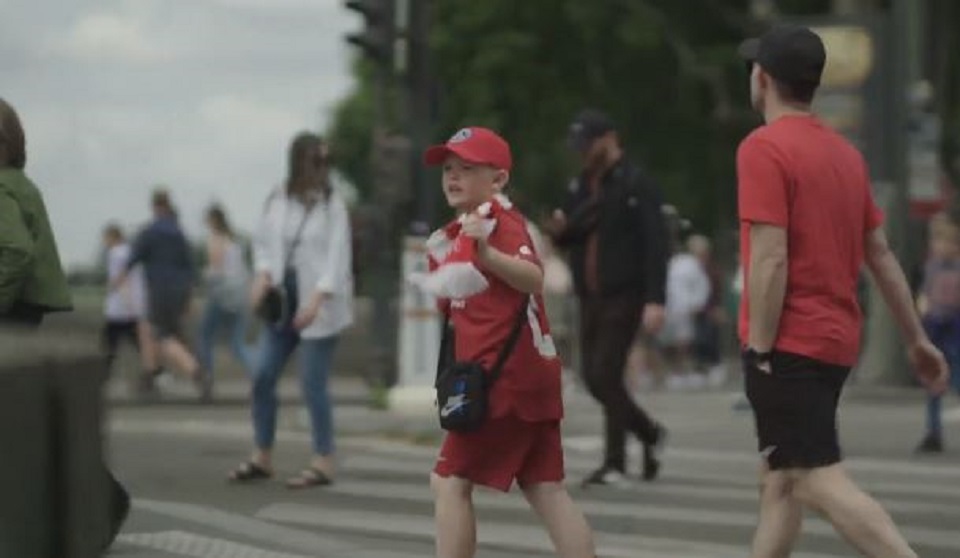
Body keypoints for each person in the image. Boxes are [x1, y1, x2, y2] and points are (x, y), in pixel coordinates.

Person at [736, 25, 949, 558]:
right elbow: (880, 255)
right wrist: (915, 338)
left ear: (762, 79)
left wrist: (760, 349)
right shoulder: (845, 155)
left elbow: (771, 256)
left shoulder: (763, 149)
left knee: (812, 477)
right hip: (834, 342)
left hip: (788, 344)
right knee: (780, 480)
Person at [423, 126, 596, 558]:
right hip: (528, 379)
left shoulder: (496, 220)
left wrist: (487, 256)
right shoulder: (467, 227)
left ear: (498, 178)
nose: (453, 177)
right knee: (546, 489)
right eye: (448, 168)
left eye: (467, 168)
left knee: (448, 480)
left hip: (503, 382)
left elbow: (533, 275)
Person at [0, 97, 130, 552]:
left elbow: (15, 249)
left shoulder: (0, 187)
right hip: (26, 306)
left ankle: (103, 498)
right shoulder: (20, 182)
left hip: (10, 308)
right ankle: (101, 495)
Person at [543, 108, 669, 486]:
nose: (582, 152)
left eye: (589, 143)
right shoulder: (581, 185)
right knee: (596, 376)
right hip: (590, 293)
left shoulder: (635, 183)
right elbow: (567, 236)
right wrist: (559, 229)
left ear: (609, 139)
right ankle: (641, 440)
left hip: (625, 293)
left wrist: (655, 299)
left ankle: (627, 451)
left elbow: (655, 243)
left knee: (604, 374)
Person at [228, 132, 354, 489]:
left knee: (313, 382)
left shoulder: (333, 205)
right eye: (316, 161)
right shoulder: (277, 198)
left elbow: (338, 257)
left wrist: (319, 297)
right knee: (263, 375)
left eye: (325, 162)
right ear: (298, 162)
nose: (321, 169)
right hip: (284, 298)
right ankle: (262, 455)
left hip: (320, 300)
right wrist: (263, 274)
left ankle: (323, 460)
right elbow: (264, 243)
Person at [113, 189, 206, 400]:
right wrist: (190, 297)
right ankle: (150, 374)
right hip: (181, 291)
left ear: (155, 207)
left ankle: (196, 372)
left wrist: (118, 279)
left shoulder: (150, 232)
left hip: (160, 289)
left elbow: (133, 258)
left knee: (161, 335)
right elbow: (191, 267)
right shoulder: (179, 232)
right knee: (149, 329)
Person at [914, 213, 960, 453]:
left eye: (950, 240)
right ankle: (933, 432)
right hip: (934, 326)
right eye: (939, 240)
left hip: (955, 327)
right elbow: (925, 294)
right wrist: (921, 315)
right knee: (933, 383)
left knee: (956, 378)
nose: (943, 246)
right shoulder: (931, 267)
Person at [196, 204, 255, 384]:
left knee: (205, 336)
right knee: (237, 344)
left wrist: (202, 274)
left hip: (221, 295)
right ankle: (260, 370)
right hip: (239, 296)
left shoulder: (216, 239)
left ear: (213, 220)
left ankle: (207, 377)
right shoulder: (234, 240)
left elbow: (217, 268)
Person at [101, 224, 160, 392]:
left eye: (105, 238)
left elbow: (120, 278)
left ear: (112, 237)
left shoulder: (115, 254)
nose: (104, 242)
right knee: (140, 343)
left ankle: (102, 376)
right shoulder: (131, 251)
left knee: (109, 344)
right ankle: (156, 373)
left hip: (120, 308)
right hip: (135, 306)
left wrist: (117, 293)